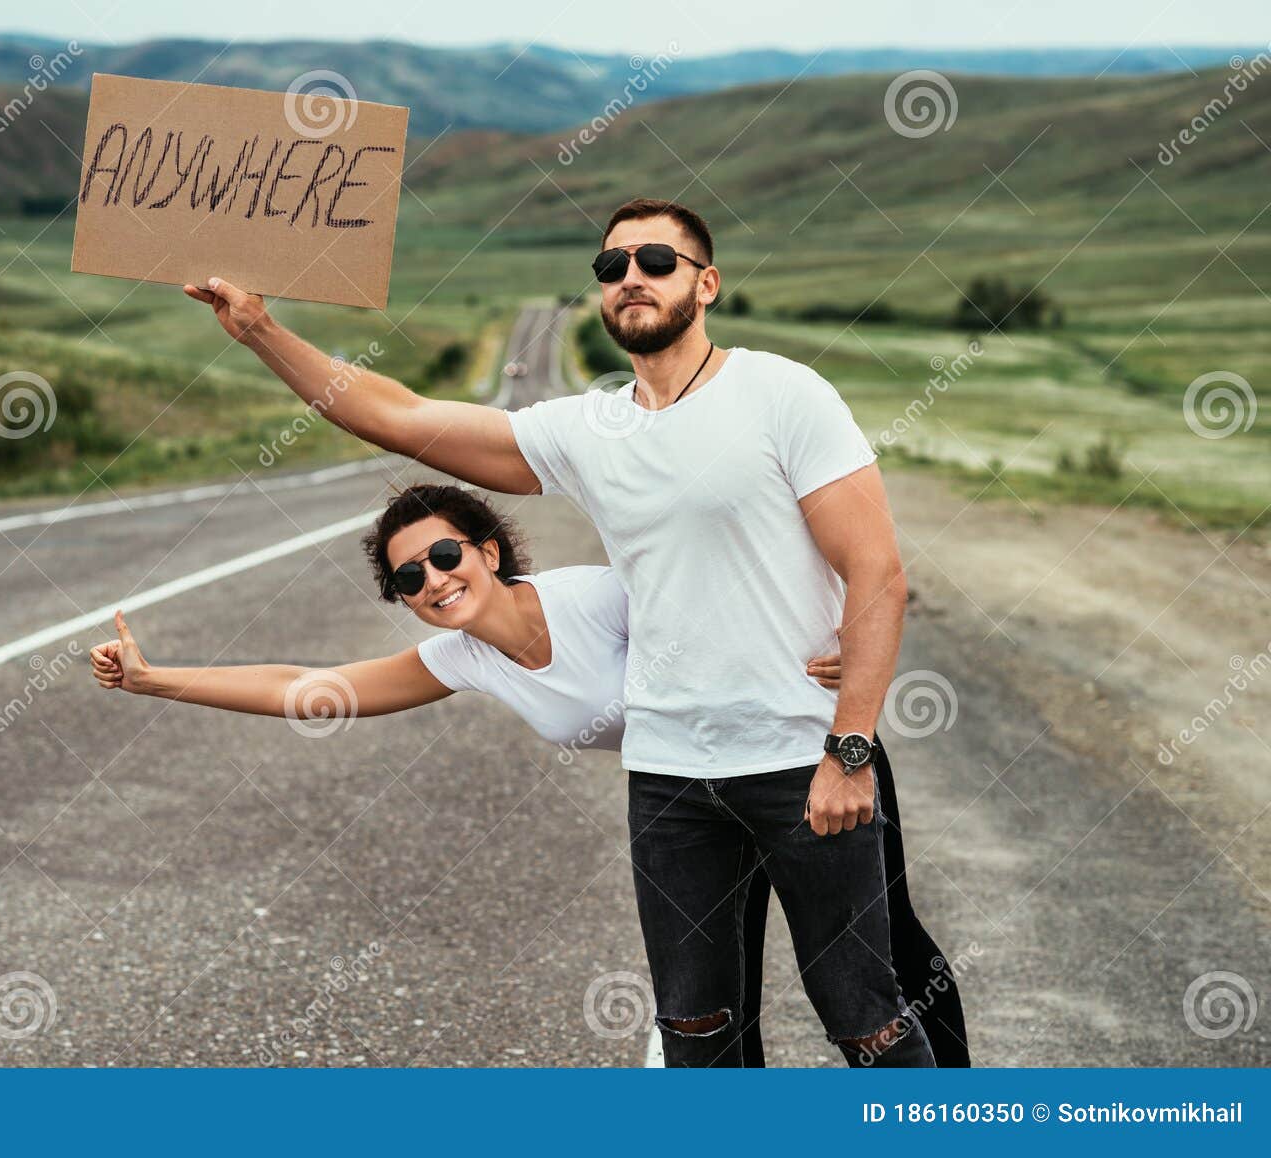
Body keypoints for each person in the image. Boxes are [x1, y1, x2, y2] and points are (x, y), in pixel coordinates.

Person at [177, 195, 946, 1067]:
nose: (630, 278)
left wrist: (850, 744)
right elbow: (395, 416)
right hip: (669, 779)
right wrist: (260, 330)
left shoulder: (781, 393)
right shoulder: (589, 428)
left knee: (864, 1020)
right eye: (610, 267)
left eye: (656, 261)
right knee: (696, 1032)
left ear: (708, 282)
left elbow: (878, 572)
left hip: (794, 755)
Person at [91, 483, 969, 1066]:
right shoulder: (466, 657)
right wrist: (155, 679)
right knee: (707, 1004)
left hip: (797, 762)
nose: (432, 580)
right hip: (688, 798)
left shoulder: (595, 597)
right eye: (408, 577)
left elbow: (736, 591)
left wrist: (838, 645)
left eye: (444, 556)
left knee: (877, 965)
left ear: (487, 550)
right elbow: (310, 689)